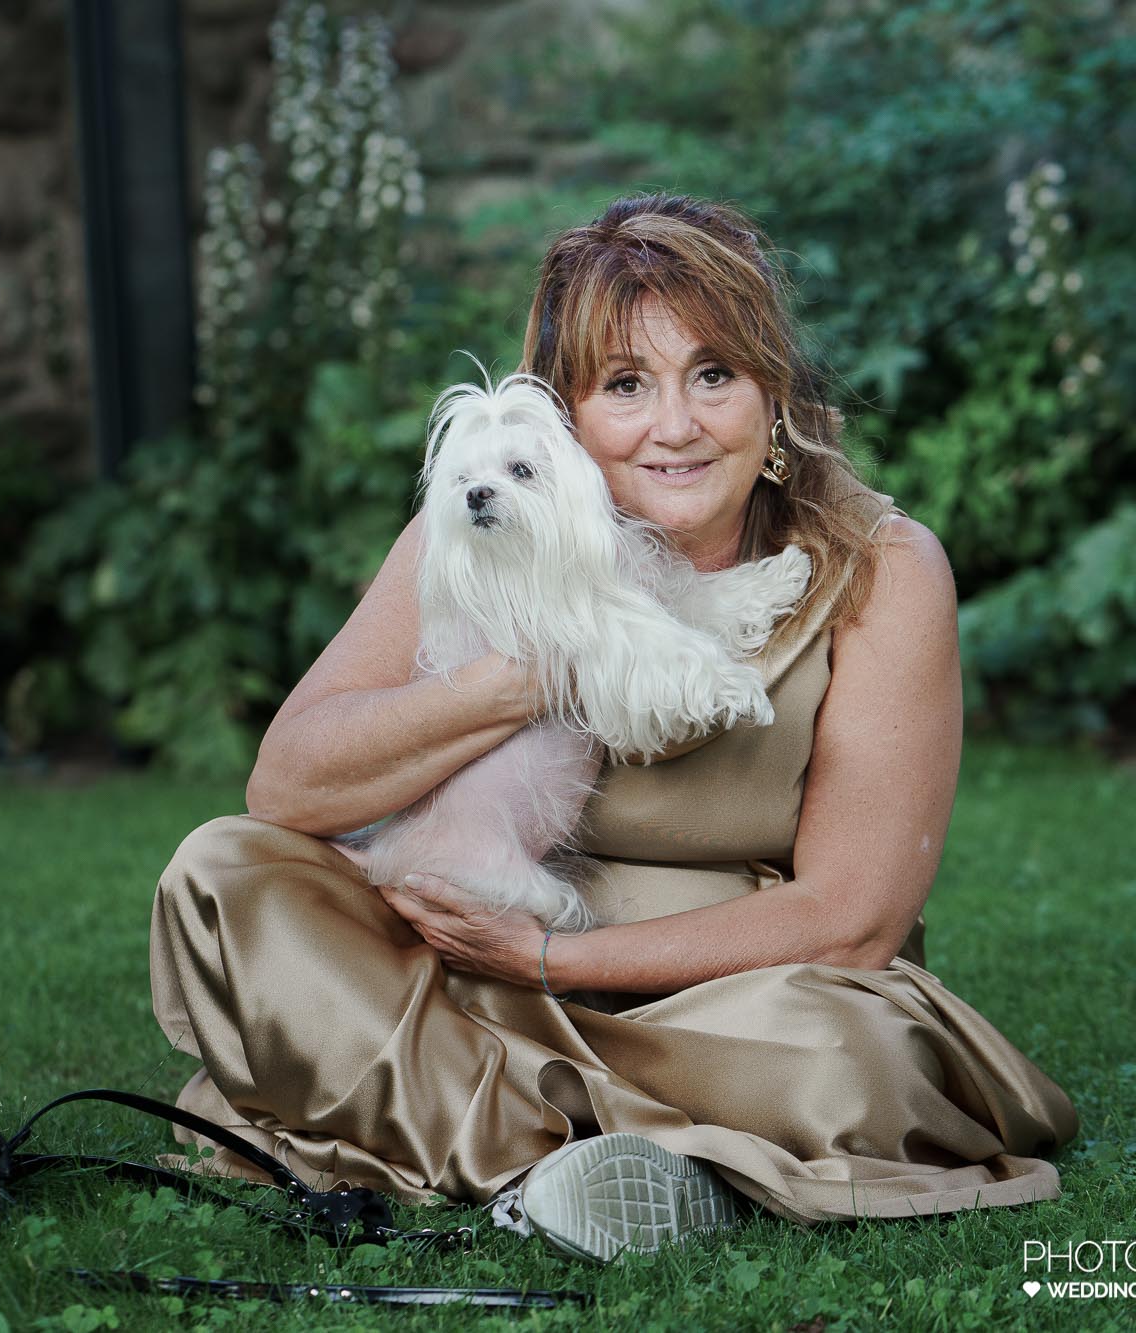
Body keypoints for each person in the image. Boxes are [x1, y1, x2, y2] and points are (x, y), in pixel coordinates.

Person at [149, 193, 1078, 1263]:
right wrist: (530, 675)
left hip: (727, 1010)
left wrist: (549, 956)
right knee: (224, 876)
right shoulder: (486, 524)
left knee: (851, 1057)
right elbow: (289, 786)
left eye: (713, 375)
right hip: (464, 967)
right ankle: (649, 1167)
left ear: (773, 392)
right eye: (626, 385)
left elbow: (852, 919)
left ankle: (471, 1131)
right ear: (566, 414)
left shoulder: (882, 566)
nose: (675, 426)